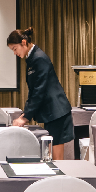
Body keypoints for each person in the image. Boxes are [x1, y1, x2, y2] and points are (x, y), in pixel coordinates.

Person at [7, 27, 73, 160]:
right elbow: (33, 91)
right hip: (52, 113)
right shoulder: (32, 58)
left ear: (23, 43)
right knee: (51, 156)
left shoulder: (39, 58)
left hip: (57, 112)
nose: (14, 53)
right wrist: (25, 115)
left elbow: (39, 90)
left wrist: (25, 118)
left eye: (15, 49)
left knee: (57, 159)